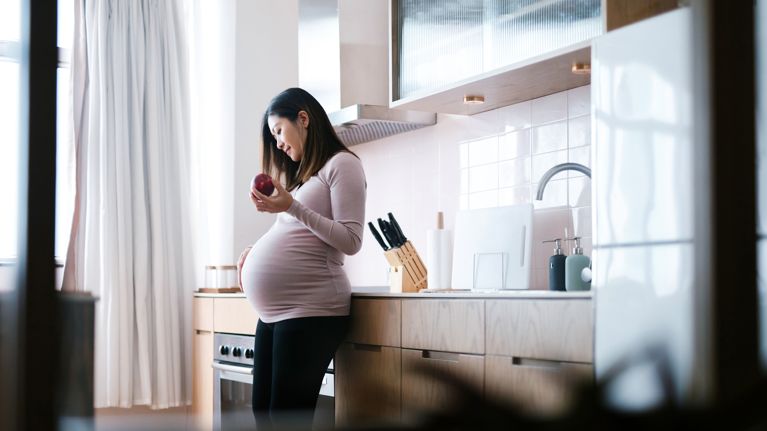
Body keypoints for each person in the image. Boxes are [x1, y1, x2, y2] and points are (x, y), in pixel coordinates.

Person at [237, 87, 366, 428]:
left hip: (312, 309)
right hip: (276, 313)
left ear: (304, 119)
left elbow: (351, 241)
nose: (277, 143)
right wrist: (255, 252)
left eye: (279, 130)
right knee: (263, 415)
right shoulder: (306, 177)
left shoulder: (343, 164)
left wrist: (292, 207)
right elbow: (297, 233)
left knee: (285, 420)